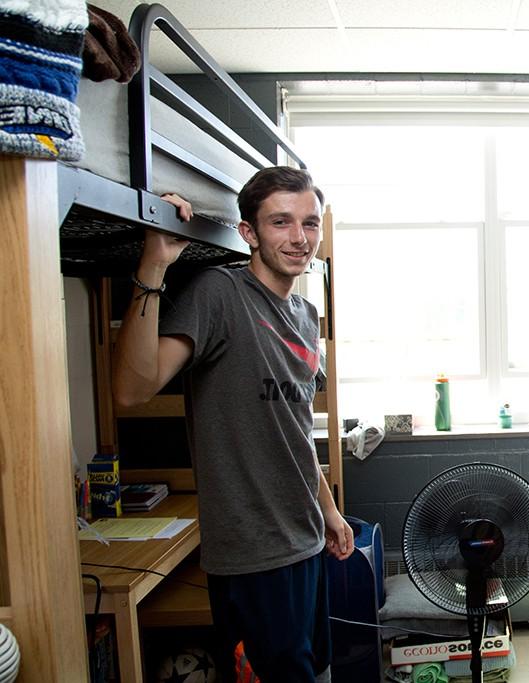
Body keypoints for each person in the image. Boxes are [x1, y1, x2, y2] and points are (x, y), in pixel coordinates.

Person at [112, 168, 354, 683]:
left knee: (315, 670)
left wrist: (329, 510)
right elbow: (133, 389)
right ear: (248, 233)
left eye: (309, 223)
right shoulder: (219, 294)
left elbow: (293, 429)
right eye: (281, 223)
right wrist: (154, 262)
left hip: (307, 538)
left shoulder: (307, 315)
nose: (299, 238)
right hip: (252, 554)